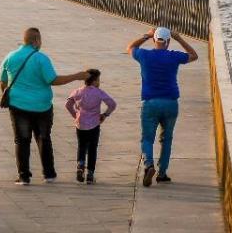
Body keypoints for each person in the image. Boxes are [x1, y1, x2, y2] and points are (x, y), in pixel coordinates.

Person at [0, 27, 89, 185]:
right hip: (42, 107)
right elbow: (52, 80)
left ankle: (24, 176)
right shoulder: (41, 58)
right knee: (44, 138)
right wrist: (77, 76)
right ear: (36, 41)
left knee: (21, 140)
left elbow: (3, 81)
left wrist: (13, 96)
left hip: (18, 106)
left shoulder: (10, 57)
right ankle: (49, 174)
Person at [127, 25, 199, 186]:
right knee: (167, 139)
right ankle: (162, 173)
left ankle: (149, 164)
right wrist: (179, 38)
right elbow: (194, 55)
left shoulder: (144, 55)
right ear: (168, 41)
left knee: (147, 138)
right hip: (171, 103)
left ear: (154, 40)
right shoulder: (174, 56)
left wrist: (146, 35)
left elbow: (130, 47)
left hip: (150, 103)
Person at [65, 68, 117, 185]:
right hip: (94, 124)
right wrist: (105, 114)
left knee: (81, 146)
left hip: (80, 124)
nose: (99, 82)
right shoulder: (99, 92)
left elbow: (68, 104)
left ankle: (80, 165)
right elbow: (112, 104)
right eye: (98, 80)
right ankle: (90, 174)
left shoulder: (78, 91)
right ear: (95, 81)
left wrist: (75, 115)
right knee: (93, 148)